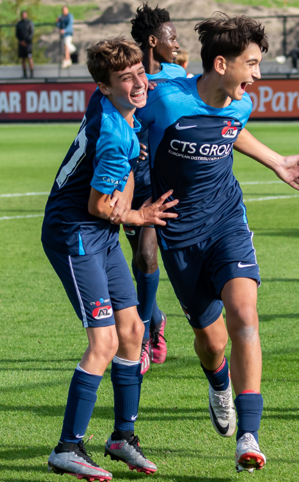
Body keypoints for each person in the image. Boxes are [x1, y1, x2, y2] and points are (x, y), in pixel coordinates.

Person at [137, 14, 299, 472]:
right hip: (179, 236)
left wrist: (276, 161)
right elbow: (122, 127)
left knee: (244, 317)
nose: (258, 74)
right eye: (251, 64)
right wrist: (131, 204)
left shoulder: (240, 104)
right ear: (221, 64)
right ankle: (219, 384)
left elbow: (232, 130)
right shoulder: (164, 101)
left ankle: (249, 437)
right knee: (212, 341)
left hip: (226, 224)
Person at [42, 37, 178, 482]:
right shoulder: (115, 136)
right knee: (103, 343)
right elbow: (100, 205)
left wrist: (130, 199)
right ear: (104, 87)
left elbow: (120, 186)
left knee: (134, 331)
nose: (139, 84)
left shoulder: (111, 106)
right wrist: (141, 215)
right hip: (75, 233)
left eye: (140, 73)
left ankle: (122, 438)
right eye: (126, 79)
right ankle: (67, 448)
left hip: (99, 234)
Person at [127, 3, 186, 374]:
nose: (176, 43)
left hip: (162, 186)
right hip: (128, 183)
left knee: (148, 257)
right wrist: (134, 138)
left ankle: (143, 338)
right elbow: (112, 118)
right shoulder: (127, 76)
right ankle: (156, 318)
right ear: (152, 41)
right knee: (139, 263)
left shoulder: (178, 75)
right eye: (171, 37)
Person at [16, 10, 34, 78]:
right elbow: (17, 34)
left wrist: (26, 41)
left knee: (29, 57)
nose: (23, 16)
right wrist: (21, 41)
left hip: (28, 44)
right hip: (21, 44)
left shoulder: (29, 23)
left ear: (26, 15)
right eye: (22, 15)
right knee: (23, 59)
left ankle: (32, 74)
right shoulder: (19, 24)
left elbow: (31, 33)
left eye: (24, 14)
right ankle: (24, 74)